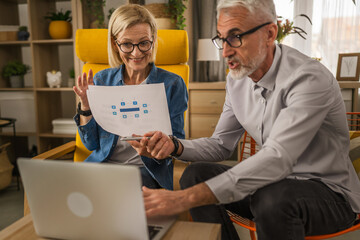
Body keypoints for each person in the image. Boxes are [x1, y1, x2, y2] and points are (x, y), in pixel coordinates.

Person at [131, 0, 360, 239]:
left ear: (270, 33)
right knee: (195, 175)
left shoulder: (309, 78)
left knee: (272, 198)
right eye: (221, 38)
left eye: (236, 36)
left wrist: (184, 198)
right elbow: (221, 145)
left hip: (330, 195)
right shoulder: (236, 80)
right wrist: (175, 145)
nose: (225, 51)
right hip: (269, 187)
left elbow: (278, 158)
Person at [73, 4, 188, 190]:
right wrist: (86, 106)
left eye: (144, 43)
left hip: (145, 171)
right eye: (127, 44)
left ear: (153, 40)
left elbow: (176, 145)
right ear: (115, 43)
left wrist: (155, 148)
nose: (136, 53)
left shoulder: (173, 84)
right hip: (103, 168)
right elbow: (90, 144)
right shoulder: (101, 80)